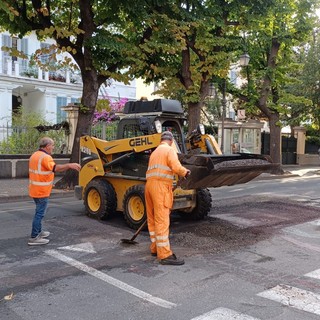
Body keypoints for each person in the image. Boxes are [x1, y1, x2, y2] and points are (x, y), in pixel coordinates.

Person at [145, 131, 191, 265]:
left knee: (152, 219)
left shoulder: (155, 152)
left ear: (161, 140)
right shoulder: (169, 150)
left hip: (149, 186)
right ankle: (164, 254)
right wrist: (185, 172)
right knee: (162, 220)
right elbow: (176, 166)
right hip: (160, 187)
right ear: (171, 141)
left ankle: (155, 248)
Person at [28, 137, 81, 246]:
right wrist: (70, 165)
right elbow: (55, 168)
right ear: (47, 146)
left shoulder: (35, 155)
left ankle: (39, 232)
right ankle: (34, 237)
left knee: (39, 212)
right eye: (52, 145)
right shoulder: (46, 157)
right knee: (40, 214)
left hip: (35, 189)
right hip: (41, 191)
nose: (53, 147)